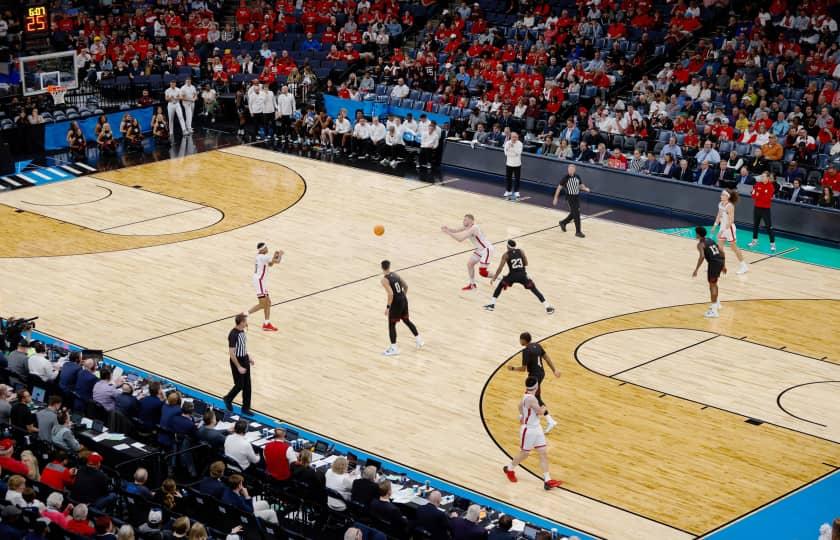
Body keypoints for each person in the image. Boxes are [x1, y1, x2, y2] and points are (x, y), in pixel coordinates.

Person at [502, 376, 563, 490]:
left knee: (543, 453)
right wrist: (544, 408)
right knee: (524, 453)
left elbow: (519, 405)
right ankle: (509, 468)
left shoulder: (527, 395)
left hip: (536, 428)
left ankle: (547, 480)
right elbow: (540, 412)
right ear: (537, 386)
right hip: (528, 430)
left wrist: (522, 415)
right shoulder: (531, 399)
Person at [508, 332, 560, 432]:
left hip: (534, 376)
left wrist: (513, 368)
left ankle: (550, 420)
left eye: (520, 339)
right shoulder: (537, 345)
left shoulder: (526, 351)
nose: (519, 341)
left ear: (523, 340)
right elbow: (546, 358)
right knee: (532, 396)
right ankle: (524, 415)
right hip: (541, 373)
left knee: (533, 397)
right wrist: (554, 370)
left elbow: (523, 369)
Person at [485, 240, 554, 314]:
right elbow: (526, 263)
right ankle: (547, 307)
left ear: (507, 247)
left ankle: (492, 305)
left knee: (500, 286)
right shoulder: (521, 251)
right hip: (522, 275)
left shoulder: (506, 255)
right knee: (534, 289)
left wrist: (495, 277)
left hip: (512, 276)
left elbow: (500, 268)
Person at [380, 260, 423, 356]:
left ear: (382, 268)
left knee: (391, 324)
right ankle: (419, 340)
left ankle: (394, 348)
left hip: (396, 303)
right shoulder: (396, 275)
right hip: (403, 299)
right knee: (406, 320)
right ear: (389, 266)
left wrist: (388, 307)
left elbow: (390, 294)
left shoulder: (384, 280)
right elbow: (406, 286)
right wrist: (402, 297)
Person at [441, 214, 493, 290]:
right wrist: (448, 229)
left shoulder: (474, 228)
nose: (463, 221)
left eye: (465, 220)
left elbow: (460, 239)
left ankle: (502, 278)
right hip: (479, 249)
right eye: (463, 219)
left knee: (483, 273)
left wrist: (448, 233)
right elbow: (456, 230)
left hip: (486, 250)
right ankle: (472, 285)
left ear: (471, 221)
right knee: (470, 264)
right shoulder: (467, 227)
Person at [246, 242, 283, 332]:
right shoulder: (263, 257)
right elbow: (277, 261)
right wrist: (280, 255)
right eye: (266, 248)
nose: (267, 249)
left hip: (261, 282)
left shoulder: (260, 256)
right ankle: (244, 315)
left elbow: (270, 264)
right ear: (262, 249)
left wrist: (274, 256)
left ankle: (266, 324)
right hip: (259, 282)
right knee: (263, 304)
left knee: (268, 302)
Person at [692, 226, 726, 318]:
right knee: (714, 283)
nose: (695, 234)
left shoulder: (700, 244)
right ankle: (717, 303)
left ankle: (714, 311)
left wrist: (696, 269)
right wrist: (723, 265)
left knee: (712, 286)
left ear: (698, 234)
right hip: (719, 261)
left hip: (713, 264)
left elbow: (702, 257)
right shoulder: (710, 240)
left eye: (696, 233)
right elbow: (722, 252)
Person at [713, 189, 748, 274]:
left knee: (734, 247)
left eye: (723, 195)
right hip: (722, 228)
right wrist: (715, 225)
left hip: (729, 229)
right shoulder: (720, 204)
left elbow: (731, 220)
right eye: (721, 194)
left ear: (727, 197)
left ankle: (744, 266)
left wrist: (723, 231)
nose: (721, 196)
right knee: (719, 248)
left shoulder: (730, 206)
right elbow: (719, 215)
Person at [225, 315, 254, 415]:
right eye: (245, 321)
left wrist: (248, 356)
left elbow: (242, 346)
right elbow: (232, 353)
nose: (247, 322)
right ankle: (228, 398)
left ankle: (245, 408)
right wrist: (238, 366)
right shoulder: (233, 334)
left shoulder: (242, 331)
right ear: (241, 322)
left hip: (244, 359)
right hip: (237, 361)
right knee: (239, 385)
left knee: (248, 385)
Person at [552, 163, 591, 238]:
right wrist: (555, 198)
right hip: (570, 198)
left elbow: (580, 185)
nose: (570, 170)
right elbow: (559, 188)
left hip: (576, 197)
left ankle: (563, 222)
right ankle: (578, 232)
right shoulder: (565, 178)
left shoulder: (577, 176)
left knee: (574, 213)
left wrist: (585, 188)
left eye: (572, 169)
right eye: (569, 169)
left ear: (574, 170)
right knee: (576, 214)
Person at [749, 172, 776, 251]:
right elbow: (753, 196)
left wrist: (758, 195)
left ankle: (773, 244)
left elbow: (766, 199)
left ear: (768, 178)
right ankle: (754, 241)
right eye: (761, 176)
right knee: (755, 225)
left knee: (769, 227)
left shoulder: (771, 187)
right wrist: (759, 195)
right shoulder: (757, 184)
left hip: (765, 209)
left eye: (763, 176)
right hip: (757, 208)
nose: (762, 178)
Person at [503, 132, 523, 200]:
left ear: (517, 137)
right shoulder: (507, 143)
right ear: (510, 137)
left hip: (517, 164)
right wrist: (511, 151)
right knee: (508, 178)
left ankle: (516, 192)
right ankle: (508, 191)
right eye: (513, 137)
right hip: (509, 164)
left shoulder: (520, 143)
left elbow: (518, 153)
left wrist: (513, 147)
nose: (514, 138)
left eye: (516, 137)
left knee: (517, 179)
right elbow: (506, 153)